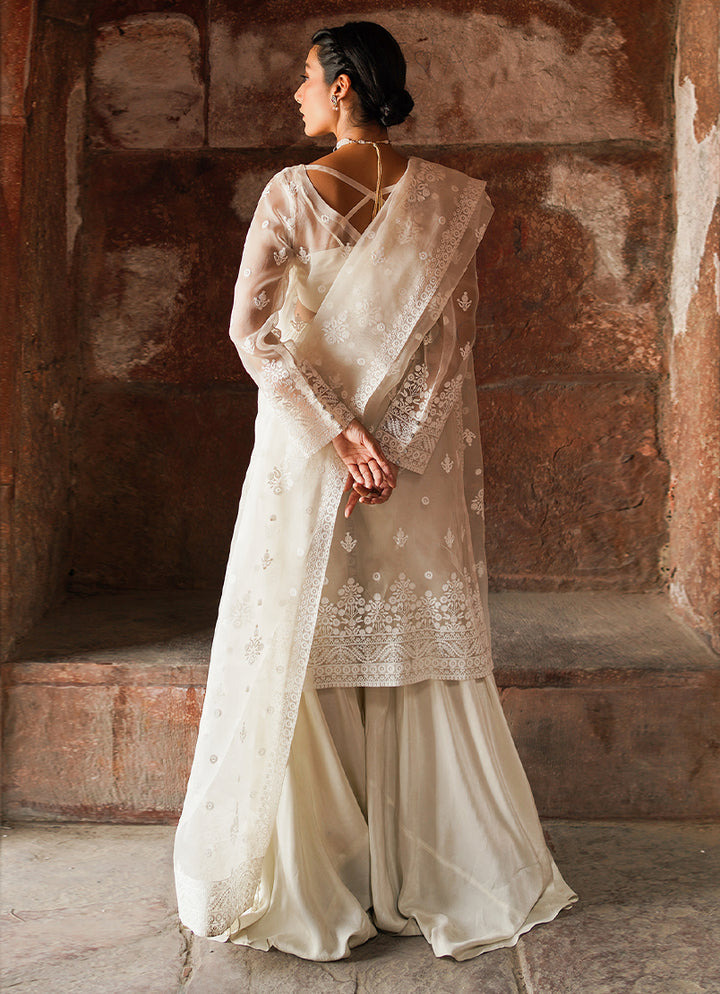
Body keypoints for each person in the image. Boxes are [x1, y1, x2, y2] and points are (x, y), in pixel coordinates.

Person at [174, 20, 576, 962]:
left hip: (312, 454)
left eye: (306, 78)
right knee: (403, 644)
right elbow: (451, 348)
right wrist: (390, 452)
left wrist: (346, 442)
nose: (297, 94)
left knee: (303, 638)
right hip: (408, 471)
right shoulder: (447, 201)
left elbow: (253, 336)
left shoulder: (293, 193)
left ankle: (315, 877)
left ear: (345, 85)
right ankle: (439, 866)